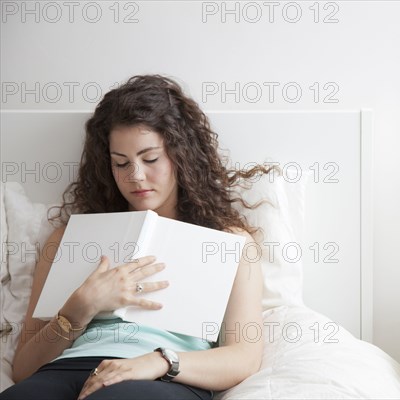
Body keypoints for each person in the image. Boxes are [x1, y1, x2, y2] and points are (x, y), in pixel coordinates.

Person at [0, 75, 268, 400]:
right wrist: (78, 309)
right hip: (65, 371)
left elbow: (245, 356)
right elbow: (23, 370)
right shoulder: (67, 239)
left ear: (180, 155)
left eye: (150, 159)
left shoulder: (227, 241)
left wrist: (159, 362)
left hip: (161, 378)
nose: (136, 176)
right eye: (121, 163)